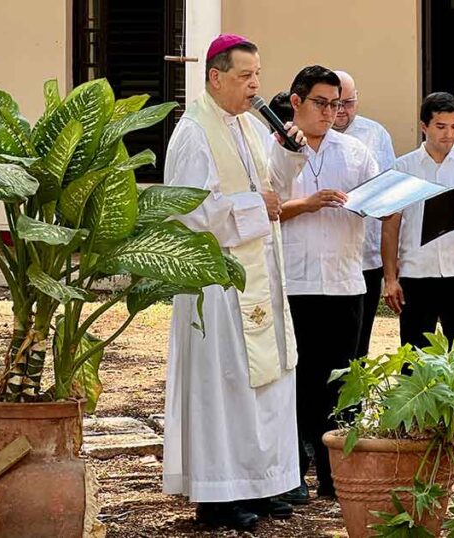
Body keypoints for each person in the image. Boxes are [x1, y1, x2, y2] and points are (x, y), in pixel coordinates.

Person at [162, 34, 305, 530]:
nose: (256, 85)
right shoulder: (193, 132)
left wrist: (288, 152)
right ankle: (220, 494)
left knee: (265, 380)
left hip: (258, 273)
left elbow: (274, 191)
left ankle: (262, 483)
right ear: (216, 77)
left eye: (259, 75)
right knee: (225, 386)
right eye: (246, 76)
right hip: (217, 287)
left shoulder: (247, 126)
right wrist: (254, 208)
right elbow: (188, 212)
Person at [277, 66, 380, 501]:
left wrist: (378, 202)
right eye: (321, 103)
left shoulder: (355, 151)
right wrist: (306, 204)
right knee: (297, 380)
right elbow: (263, 209)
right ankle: (293, 473)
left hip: (344, 281)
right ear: (297, 102)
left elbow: (378, 200)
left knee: (343, 382)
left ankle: (337, 473)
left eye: (337, 104)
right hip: (294, 282)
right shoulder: (273, 148)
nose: (330, 113)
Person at [382, 92, 454, 349]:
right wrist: (390, 278)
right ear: (424, 126)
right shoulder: (403, 167)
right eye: (441, 127)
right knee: (414, 358)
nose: (449, 134)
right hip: (417, 273)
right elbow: (390, 226)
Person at [332, 70, 396, 359]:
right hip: (327, 251)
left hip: (366, 254)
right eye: (337, 103)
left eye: (349, 103)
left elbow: (389, 187)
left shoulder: (375, 134)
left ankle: (354, 401)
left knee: (359, 336)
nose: (342, 111)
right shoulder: (308, 134)